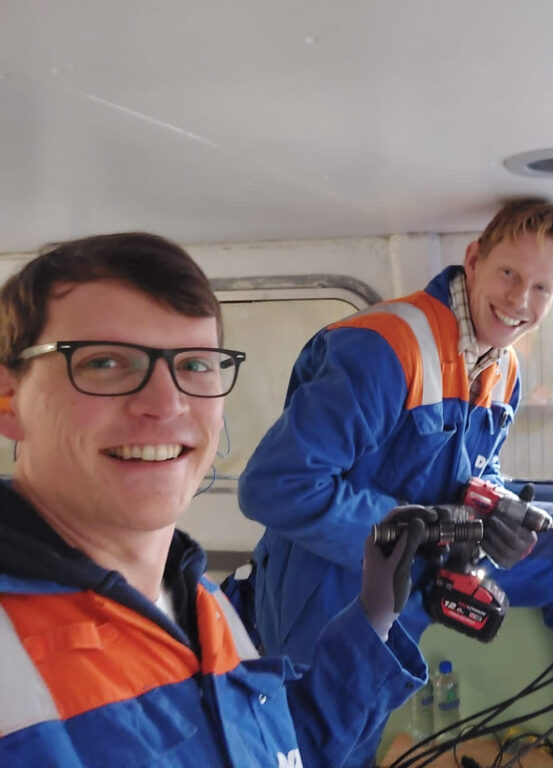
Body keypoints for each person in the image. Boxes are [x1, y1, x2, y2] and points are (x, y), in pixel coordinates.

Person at [238, 200, 553, 768]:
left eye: (542, 288)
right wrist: (413, 531)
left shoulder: (504, 368)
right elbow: (275, 486)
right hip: (334, 577)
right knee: (332, 745)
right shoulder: (384, 349)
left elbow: (474, 468)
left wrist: (499, 509)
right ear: (473, 261)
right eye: (510, 274)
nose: (521, 301)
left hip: (432, 554)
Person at [0, 232, 436, 767]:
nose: (166, 403)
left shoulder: (204, 603)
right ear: (9, 399)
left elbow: (275, 747)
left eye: (196, 364)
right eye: (104, 363)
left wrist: (374, 617)